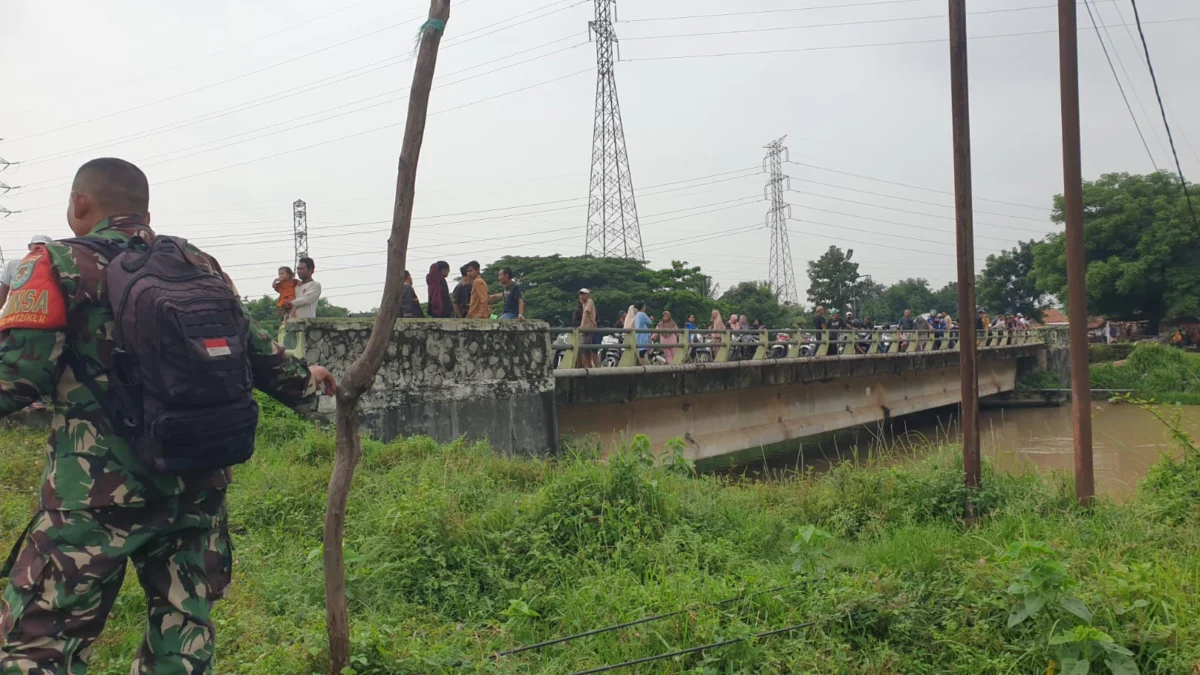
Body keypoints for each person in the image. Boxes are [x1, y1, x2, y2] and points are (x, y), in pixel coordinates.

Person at [0, 157, 338, 673]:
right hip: (196, 481)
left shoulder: (57, 263)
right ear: (144, 209)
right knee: (183, 633)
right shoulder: (196, 261)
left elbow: (15, 377)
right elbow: (257, 351)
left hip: (94, 497)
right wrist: (308, 384)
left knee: (40, 643)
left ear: (80, 204)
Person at [0, 234, 54, 301]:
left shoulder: (55, 266)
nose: (40, 247)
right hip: (17, 308)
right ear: (29, 246)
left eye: (44, 245)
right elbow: (3, 290)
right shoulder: (13, 265)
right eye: (36, 244)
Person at [578, 289, 598, 369]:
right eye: (580, 294)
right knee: (586, 348)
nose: (581, 296)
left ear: (587, 295)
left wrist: (581, 326)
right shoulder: (584, 303)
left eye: (583, 294)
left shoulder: (589, 301)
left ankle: (586, 365)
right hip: (586, 328)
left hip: (588, 327)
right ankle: (587, 365)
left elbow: (586, 313)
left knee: (582, 347)